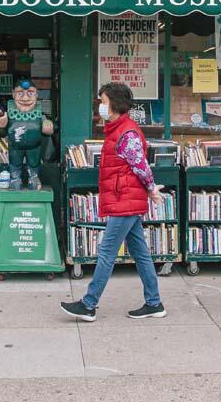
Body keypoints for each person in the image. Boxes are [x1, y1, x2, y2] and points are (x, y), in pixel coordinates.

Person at [61, 82, 166, 322]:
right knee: (140, 253)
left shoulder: (126, 133)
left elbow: (140, 165)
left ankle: (89, 304)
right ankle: (154, 303)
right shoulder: (118, 130)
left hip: (125, 200)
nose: (100, 106)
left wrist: (151, 189)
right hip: (125, 199)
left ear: (116, 104)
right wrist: (148, 190)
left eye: (104, 102)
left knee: (107, 251)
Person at [0, 78, 53, 191]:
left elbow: (48, 132)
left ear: (36, 95)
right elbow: (1, 134)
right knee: (15, 164)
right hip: (15, 147)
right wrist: (2, 126)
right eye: (20, 93)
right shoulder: (9, 115)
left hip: (34, 147)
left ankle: (34, 178)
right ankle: (15, 178)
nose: (25, 98)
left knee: (34, 164)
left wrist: (48, 127)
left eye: (30, 93)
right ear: (13, 94)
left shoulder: (39, 115)